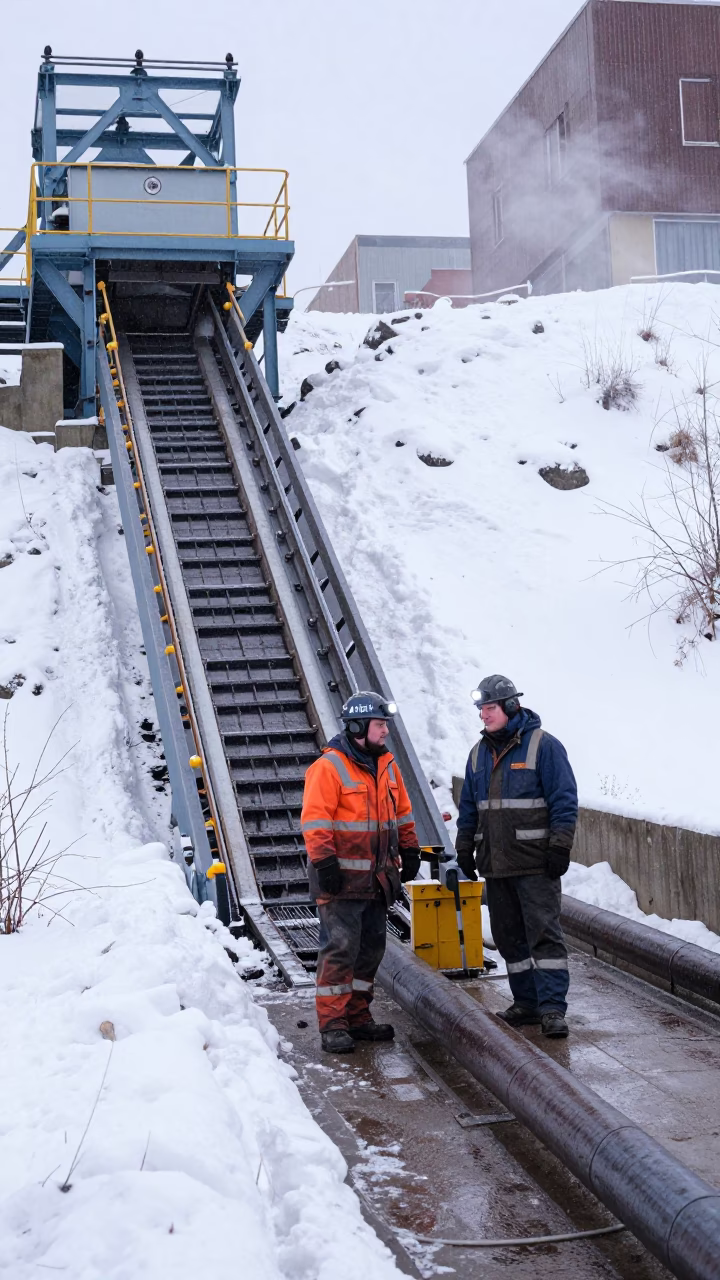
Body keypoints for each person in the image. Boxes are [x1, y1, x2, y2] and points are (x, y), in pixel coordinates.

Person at [455, 675, 578, 1038]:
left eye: (489, 708)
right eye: (480, 710)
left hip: (535, 863)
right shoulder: (477, 754)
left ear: (511, 706)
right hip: (496, 864)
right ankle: (526, 1003)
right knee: (509, 937)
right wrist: (464, 845)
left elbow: (564, 801)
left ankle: (553, 1008)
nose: (483, 716)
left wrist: (560, 845)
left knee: (544, 936)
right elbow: (469, 808)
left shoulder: (544, 746)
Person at [301, 691, 422, 1054]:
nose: (386, 732)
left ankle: (358, 1017)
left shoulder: (386, 764)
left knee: (370, 951)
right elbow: (316, 821)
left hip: (377, 881)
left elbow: (401, 811)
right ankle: (333, 1024)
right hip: (340, 881)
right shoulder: (329, 767)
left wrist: (410, 846)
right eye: (380, 724)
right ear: (357, 726)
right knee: (340, 950)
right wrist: (325, 864)